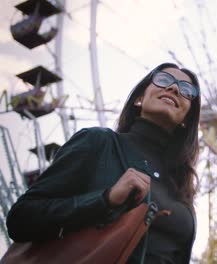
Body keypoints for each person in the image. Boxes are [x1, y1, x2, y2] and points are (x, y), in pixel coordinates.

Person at [6, 62, 201, 263]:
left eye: (187, 90)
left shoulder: (180, 184)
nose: (174, 88)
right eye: (163, 80)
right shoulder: (98, 143)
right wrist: (105, 200)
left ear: (186, 118)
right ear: (139, 99)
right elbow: (21, 219)